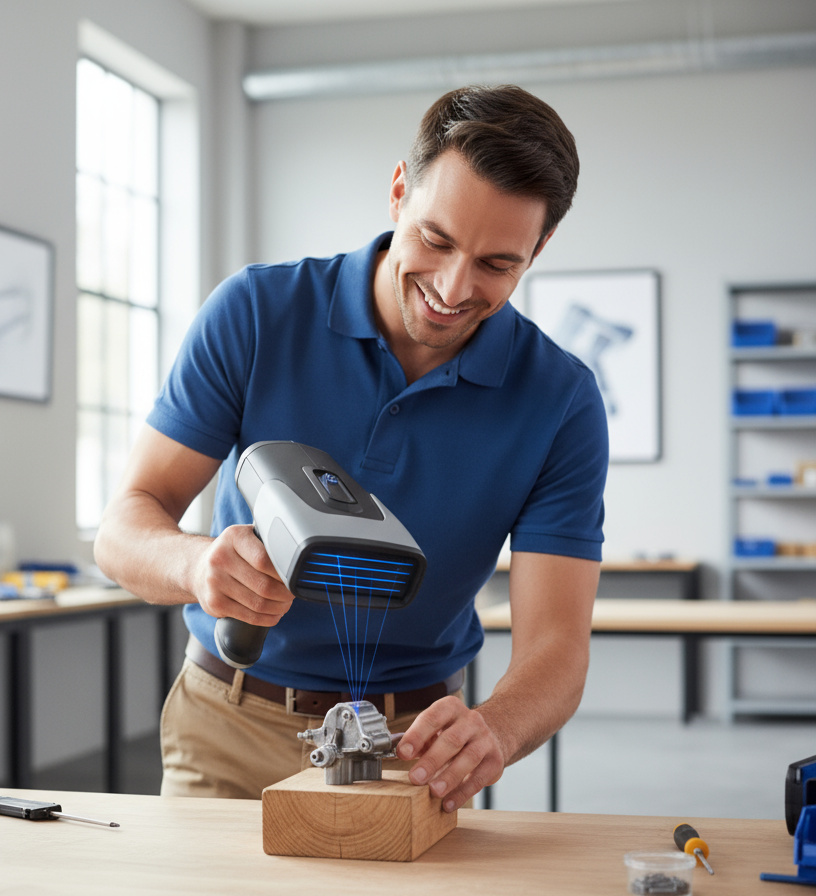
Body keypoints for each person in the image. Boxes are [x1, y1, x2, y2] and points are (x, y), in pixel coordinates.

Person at [94, 84, 608, 809]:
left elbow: (557, 647)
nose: (453, 289)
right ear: (399, 192)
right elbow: (123, 527)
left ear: (539, 247)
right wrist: (196, 565)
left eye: (497, 264)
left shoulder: (561, 400)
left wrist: (495, 729)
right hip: (228, 725)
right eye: (436, 240)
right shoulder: (255, 313)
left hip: (414, 751)